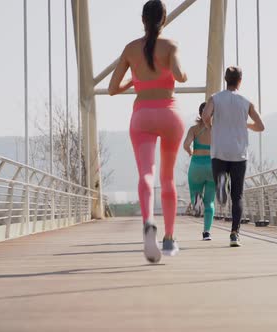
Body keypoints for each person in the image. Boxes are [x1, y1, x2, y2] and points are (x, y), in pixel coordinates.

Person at [108, 0, 187, 262]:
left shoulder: (130, 49)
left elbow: (111, 88)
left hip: (141, 115)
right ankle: (169, 238)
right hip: (169, 115)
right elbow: (180, 74)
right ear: (163, 20)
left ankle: (148, 221)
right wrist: (180, 73)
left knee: (146, 172)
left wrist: (135, 80)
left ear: (142, 20)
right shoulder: (171, 45)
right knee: (166, 178)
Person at [202, 66, 265, 247]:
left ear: (225, 79)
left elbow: (206, 115)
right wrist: (246, 125)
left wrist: (210, 126)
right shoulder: (246, 101)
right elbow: (261, 126)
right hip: (239, 153)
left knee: (221, 186)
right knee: (237, 196)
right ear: (240, 80)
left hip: (219, 151)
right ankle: (235, 234)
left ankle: (221, 184)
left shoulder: (215, 98)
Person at [183, 102, 215, 241]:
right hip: (213, 166)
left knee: (195, 193)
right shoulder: (218, 129)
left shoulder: (194, 129)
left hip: (196, 165)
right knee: (210, 202)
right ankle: (206, 232)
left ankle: (196, 200)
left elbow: (186, 145)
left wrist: (190, 152)